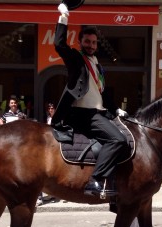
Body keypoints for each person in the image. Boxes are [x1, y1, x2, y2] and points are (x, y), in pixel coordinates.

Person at [53, 3, 130, 196]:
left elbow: (102, 93)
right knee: (118, 139)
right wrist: (63, 17)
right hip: (83, 115)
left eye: (94, 42)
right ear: (80, 42)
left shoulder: (98, 65)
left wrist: (116, 109)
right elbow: (59, 45)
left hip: (99, 113)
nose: (91, 45)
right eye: (87, 42)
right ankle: (95, 181)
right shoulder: (76, 59)